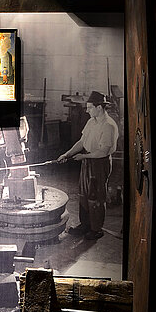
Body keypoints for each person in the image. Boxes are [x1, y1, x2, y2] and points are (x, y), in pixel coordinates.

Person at [56, 91, 119, 241]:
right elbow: (82, 142)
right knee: (84, 194)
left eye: (90, 107)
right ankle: (85, 225)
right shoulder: (92, 121)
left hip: (99, 163)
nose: (87, 110)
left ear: (99, 107)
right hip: (88, 161)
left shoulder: (108, 126)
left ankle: (96, 229)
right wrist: (67, 154)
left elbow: (103, 151)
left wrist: (84, 156)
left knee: (96, 197)